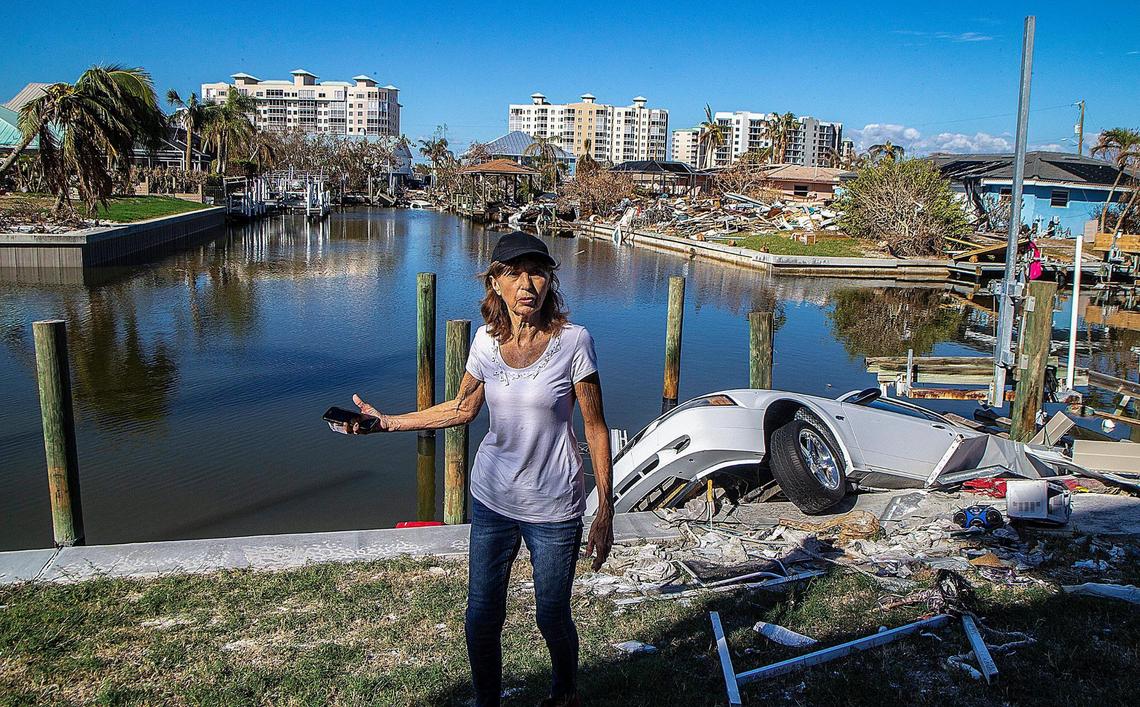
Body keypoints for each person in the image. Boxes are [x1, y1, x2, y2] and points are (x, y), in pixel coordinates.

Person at [345, 231, 614, 707]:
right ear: (495, 282)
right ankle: (488, 699)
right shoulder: (486, 343)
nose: (527, 283)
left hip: (554, 508)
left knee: (551, 615)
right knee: (481, 615)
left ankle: (565, 692)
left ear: (550, 280)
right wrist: (385, 423)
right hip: (492, 501)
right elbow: (462, 408)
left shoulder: (575, 342)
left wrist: (604, 509)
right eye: (513, 273)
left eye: (537, 271)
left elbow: (595, 427)